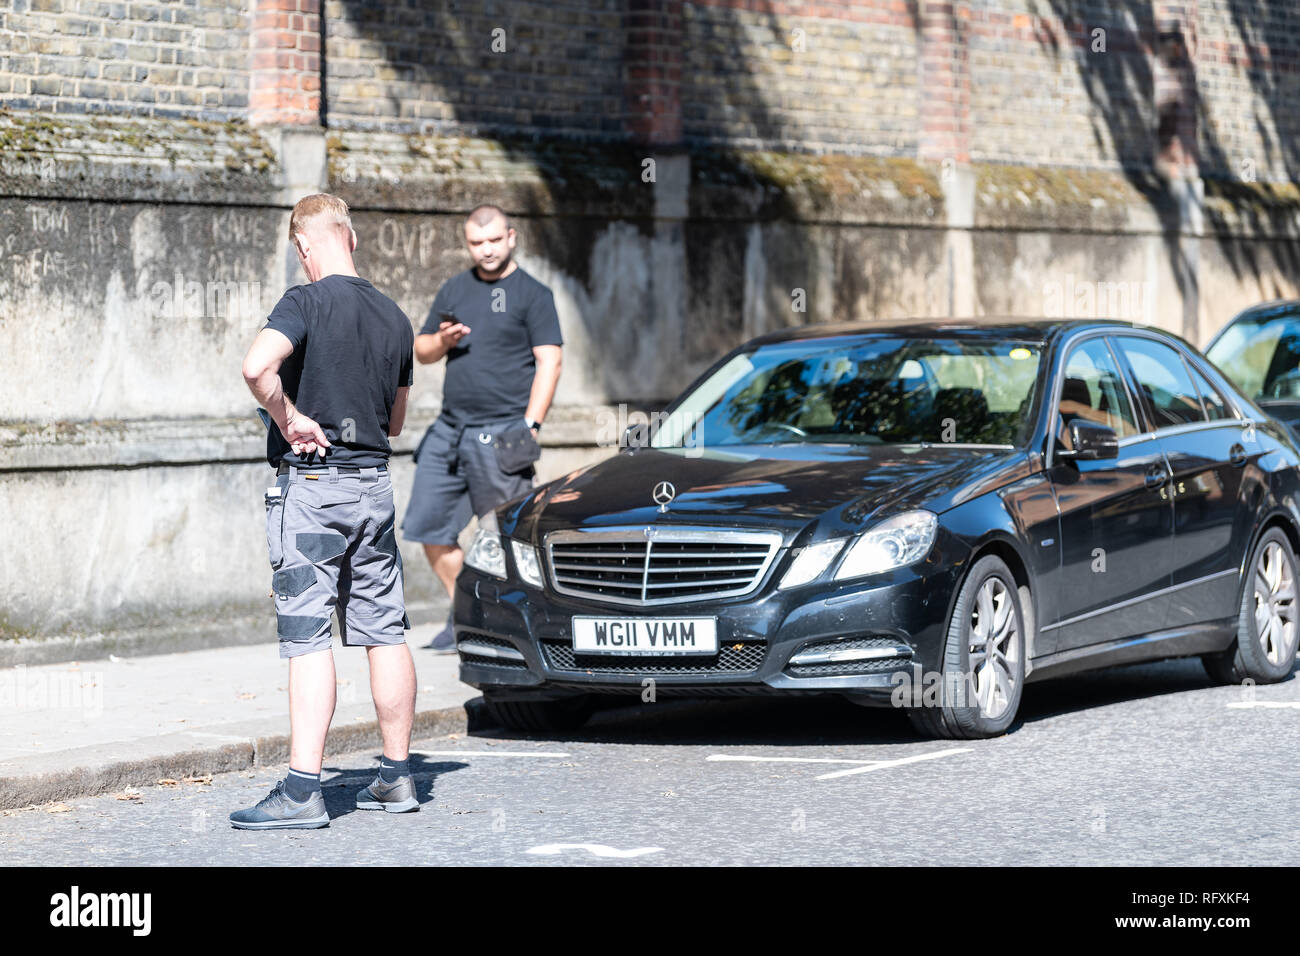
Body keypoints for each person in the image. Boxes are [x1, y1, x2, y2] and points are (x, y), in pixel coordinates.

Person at [233, 193, 419, 829]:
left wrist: (289, 417)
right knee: (384, 630)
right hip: (374, 488)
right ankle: (396, 778)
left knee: (308, 636)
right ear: (352, 238)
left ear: (303, 245)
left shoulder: (304, 300)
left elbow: (256, 367)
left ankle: (302, 791)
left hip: (313, 490)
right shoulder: (395, 316)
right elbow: (395, 421)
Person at [403, 204, 563, 651]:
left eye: (494, 240)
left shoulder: (533, 294)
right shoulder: (455, 288)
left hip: (504, 433)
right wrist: (443, 339)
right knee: (427, 527)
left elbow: (550, 361)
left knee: (506, 538)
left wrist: (531, 426)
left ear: (511, 237)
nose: (486, 249)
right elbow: (422, 351)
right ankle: (468, 615)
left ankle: (509, 629)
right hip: (449, 431)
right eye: (477, 242)